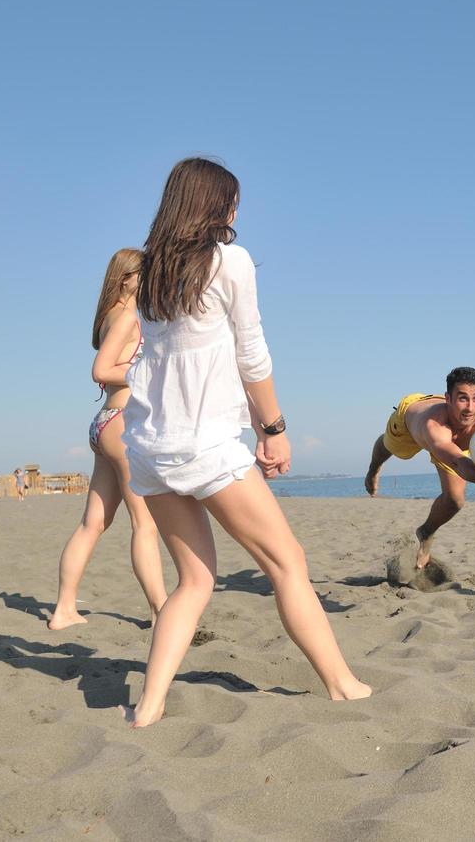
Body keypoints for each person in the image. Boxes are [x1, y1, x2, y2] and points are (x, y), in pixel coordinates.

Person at [122, 157, 369, 727]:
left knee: (194, 580)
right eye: (232, 201)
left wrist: (253, 426)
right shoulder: (228, 261)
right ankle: (341, 684)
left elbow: (194, 363)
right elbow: (250, 354)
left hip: (150, 448)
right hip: (205, 447)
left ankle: (149, 707)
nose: (238, 211)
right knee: (288, 563)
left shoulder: (151, 274)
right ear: (214, 206)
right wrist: (276, 429)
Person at [47, 248, 168, 631]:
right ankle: (160, 610)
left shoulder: (107, 317)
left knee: (93, 524)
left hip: (104, 424)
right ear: (127, 279)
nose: (151, 280)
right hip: (121, 422)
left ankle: (64, 609)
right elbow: (101, 370)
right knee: (144, 522)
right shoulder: (128, 317)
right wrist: (146, 372)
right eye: (145, 274)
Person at [364, 367, 475, 568]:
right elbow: (456, 460)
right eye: (462, 398)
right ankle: (374, 469)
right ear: (448, 398)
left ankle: (426, 532)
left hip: (450, 448)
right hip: (410, 424)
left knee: (455, 500)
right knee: (391, 447)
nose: (470, 407)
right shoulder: (434, 425)